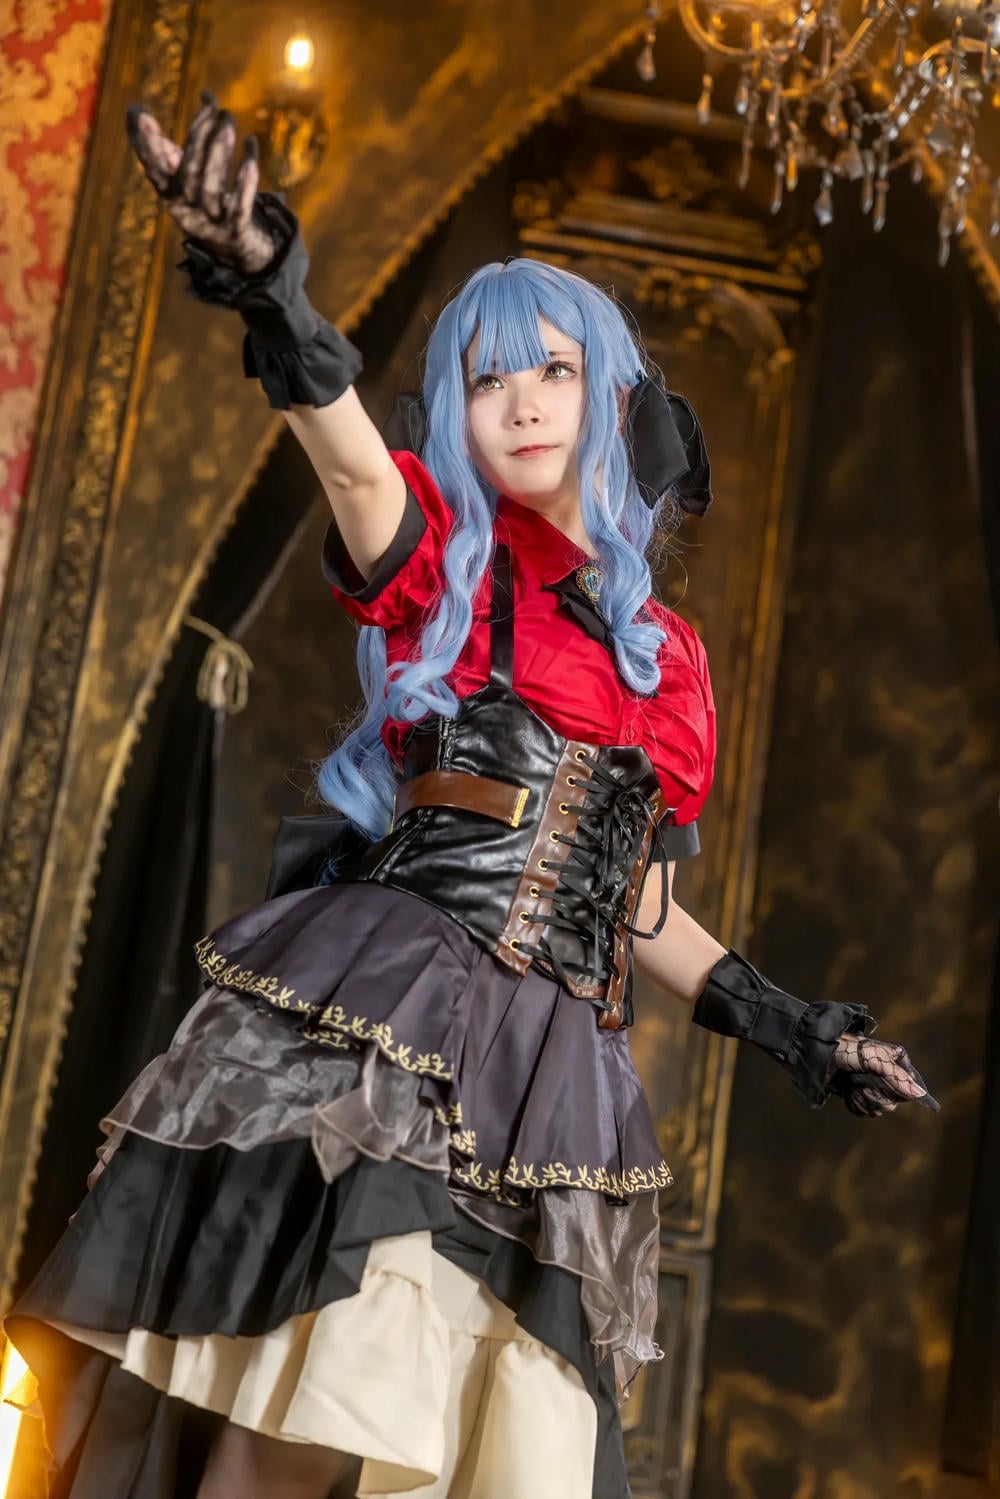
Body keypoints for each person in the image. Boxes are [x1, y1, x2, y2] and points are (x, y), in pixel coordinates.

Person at [3, 93, 939, 1499]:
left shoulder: (669, 661)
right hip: (402, 1020)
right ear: (459, 410)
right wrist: (272, 291)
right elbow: (341, 451)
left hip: (554, 1079)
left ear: (607, 397)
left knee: (502, 1454)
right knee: (306, 1405)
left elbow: (639, 909)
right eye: (489, 378)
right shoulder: (446, 559)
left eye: (553, 369)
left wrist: (796, 1028)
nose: (522, 401)